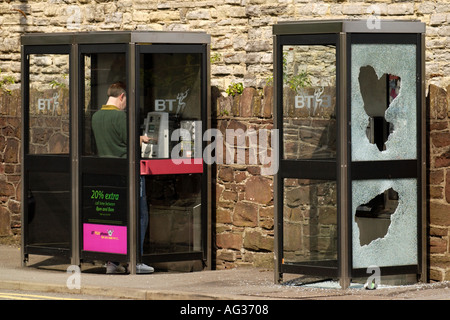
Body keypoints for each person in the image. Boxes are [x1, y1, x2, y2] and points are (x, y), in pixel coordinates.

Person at [91, 81, 154, 274]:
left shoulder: (96, 117)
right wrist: (141, 139)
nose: (126, 104)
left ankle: (112, 261)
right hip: (128, 173)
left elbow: (112, 141)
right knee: (140, 215)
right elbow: (130, 144)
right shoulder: (121, 117)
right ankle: (135, 260)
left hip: (107, 174)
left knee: (114, 217)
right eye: (126, 100)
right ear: (121, 96)